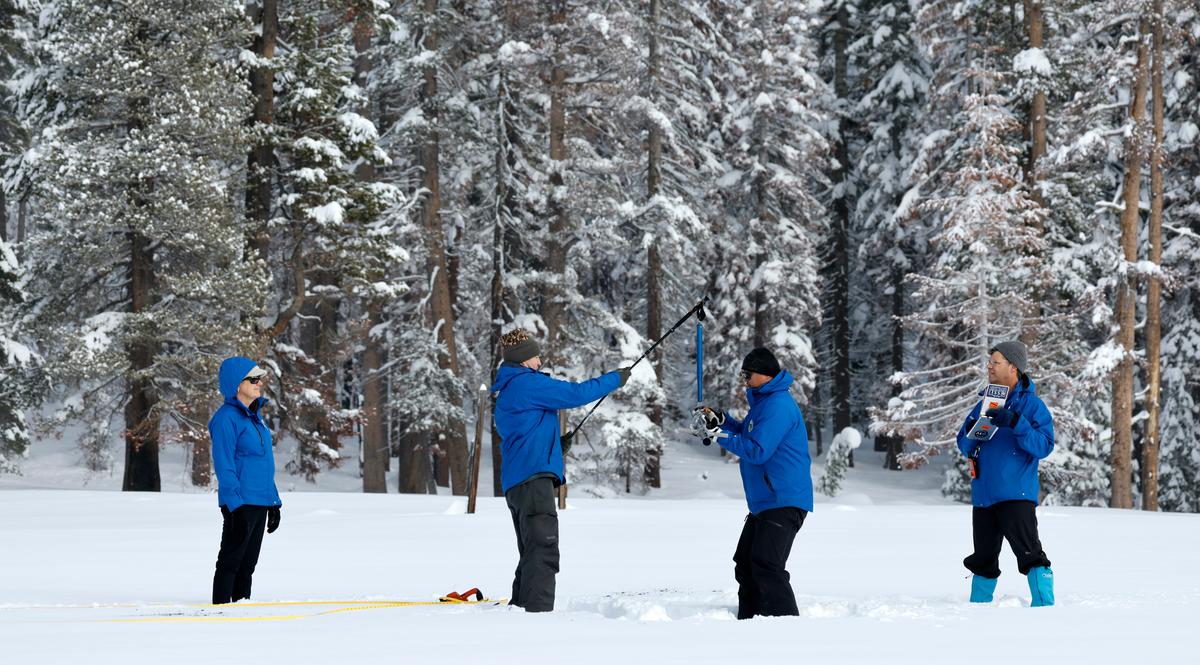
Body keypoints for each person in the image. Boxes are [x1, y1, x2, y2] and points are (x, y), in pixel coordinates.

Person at [490, 329, 630, 612]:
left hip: (519, 482)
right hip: (532, 482)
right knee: (544, 548)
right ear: (524, 359)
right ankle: (537, 614)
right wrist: (615, 379)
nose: (540, 361)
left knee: (531, 550)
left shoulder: (510, 389)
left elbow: (526, 432)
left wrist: (555, 446)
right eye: (536, 356)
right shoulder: (525, 383)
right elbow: (576, 393)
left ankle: (520, 608)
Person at [696, 347, 813, 620]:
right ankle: (749, 621)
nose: (744, 379)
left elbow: (758, 449)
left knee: (766, 565)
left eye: (748, 374)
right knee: (745, 563)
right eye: (743, 373)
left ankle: (784, 625)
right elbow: (749, 432)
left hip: (783, 499)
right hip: (766, 502)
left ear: (765, 375)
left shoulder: (778, 406)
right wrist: (723, 421)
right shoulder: (765, 403)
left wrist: (717, 437)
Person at [956, 341, 1055, 607]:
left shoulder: (1033, 406)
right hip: (984, 495)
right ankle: (977, 610)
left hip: (1015, 493)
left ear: (1013, 367)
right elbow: (964, 445)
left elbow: (1044, 446)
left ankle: (1046, 608)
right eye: (989, 362)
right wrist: (976, 425)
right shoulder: (986, 403)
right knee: (983, 559)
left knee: (1030, 554)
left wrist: (1015, 422)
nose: (989, 366)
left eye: (995, 362)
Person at [209, 356, 283, 605]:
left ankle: (242, 613)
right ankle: (219, 611)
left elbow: (263, 464)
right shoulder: (226, 419)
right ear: (236, 383)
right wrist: (233, 506)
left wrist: (274, 502)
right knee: (231, 561)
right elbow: (224, 464)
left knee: (248, 565)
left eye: (259, 378)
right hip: (240, 502)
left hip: (260, 500)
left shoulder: (256, 419)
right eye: (252, 379)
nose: (258, 382)